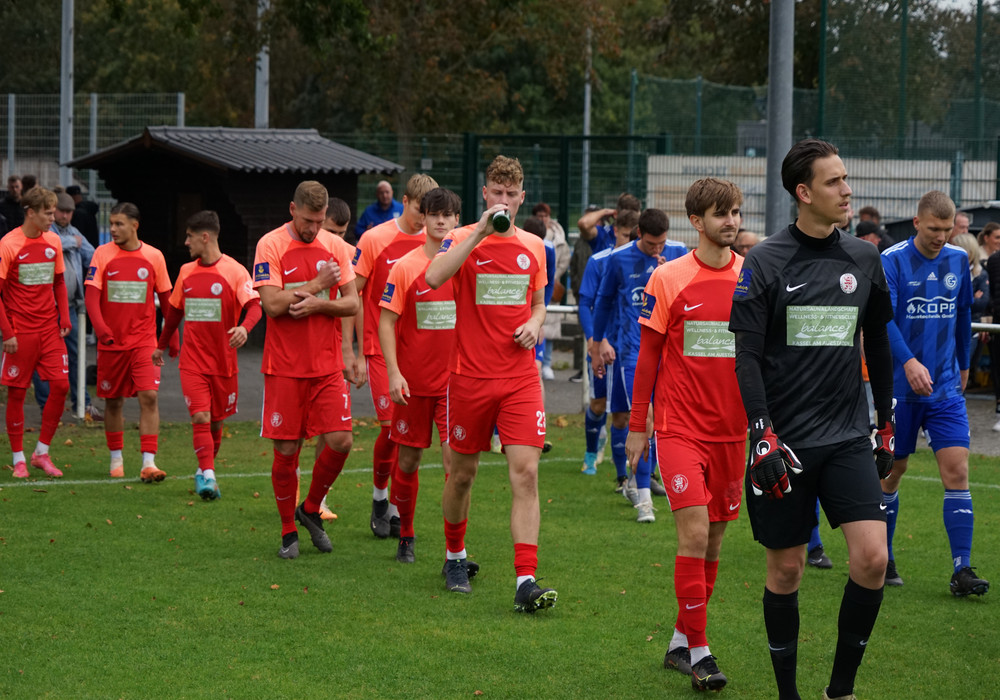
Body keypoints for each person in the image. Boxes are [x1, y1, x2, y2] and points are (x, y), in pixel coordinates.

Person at [729, 139, 895, 700]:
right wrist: (761, 433)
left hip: (849, 435)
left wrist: (886, 421)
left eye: (846, 179)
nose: (847, 190)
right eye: (833, 182)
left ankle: (840, 691)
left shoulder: (865, 258)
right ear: (804, 193)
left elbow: (878, 341)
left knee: (873, 559)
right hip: (786, 444)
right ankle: (788, 695)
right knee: (787, 572)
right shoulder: (766, 261)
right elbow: (747, 356)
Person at [625, 177, 746, 691]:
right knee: (694, 534)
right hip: (679, 429)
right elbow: (648, 356)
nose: (732, 222)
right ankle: (701, 653)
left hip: (733, 432)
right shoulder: (668, 278)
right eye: (722, 214)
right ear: (697, 222)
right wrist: (638, 426)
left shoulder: (753, 275)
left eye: (737, 213)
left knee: (714, 540)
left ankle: (680, 640)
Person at [424, 155, 557, 612]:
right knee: (462, 475)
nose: (503, 201)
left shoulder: (535, 246)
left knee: (526, 472)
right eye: (496, 193)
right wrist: (479, 231)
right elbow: (434, 276)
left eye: (511, 194)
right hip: (469, 379)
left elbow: (538, 304)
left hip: (520, 378)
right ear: (485, 195)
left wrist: (536, 324)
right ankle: (455, 555)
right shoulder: (461, 237)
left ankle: (525, 580)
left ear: (522, 197)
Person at [880, 191, 989, 597]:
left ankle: (962, 569)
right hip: (898, 390)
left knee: (957, 472)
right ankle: (884, 556)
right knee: (893, 473)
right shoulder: (891, 260)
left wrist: (964, 363)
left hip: (944, 388)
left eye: (947, 230)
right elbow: (884, 319)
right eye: (933, 229)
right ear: (916, 223)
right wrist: (909, 362)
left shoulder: (959, 260)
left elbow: (963, 314)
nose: (941, 237)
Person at [253, 180, 360, 559]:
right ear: (292, 210)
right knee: (286, 449)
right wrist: (316, 286)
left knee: (341, 441)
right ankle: (287, 531)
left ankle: (310, 508)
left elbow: (352, 304)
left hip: (327, 365)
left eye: (320, 221)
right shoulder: (270, 244)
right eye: (309, 221)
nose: (314, 229)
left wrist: (317, 306)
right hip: (284, 367)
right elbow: (272, 304)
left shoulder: (334, 247)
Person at [345, 173, 438, 539]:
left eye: (431, 210)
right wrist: (349, 350)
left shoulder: (441, 244)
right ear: (404, 201)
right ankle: (382, 498)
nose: (424, 217)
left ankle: (395, 506)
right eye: (419, 209)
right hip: (380, 349)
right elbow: (353, 296)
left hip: (423, 354)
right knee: (390, 427)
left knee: (407, 437)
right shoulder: (375, 238)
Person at [153, 211, 262, 501]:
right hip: (193, 362)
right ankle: (209, 476)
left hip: (224, 364)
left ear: (205, 237)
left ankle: (204, 470)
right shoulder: (186, 272)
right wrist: (161, 345)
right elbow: (174, 312)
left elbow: (255, 307)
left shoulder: (235, 271)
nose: (186, 242)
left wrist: (244, 328)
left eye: (189, 236)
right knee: (200, 415)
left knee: (215, 423)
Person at [378, 187, 461, 564]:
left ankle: (453, 550)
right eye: (434, 215)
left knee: (453, 465)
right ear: (422, 220)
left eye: (448, 216)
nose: (441, 221)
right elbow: (386, 321)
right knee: (408, 462)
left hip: (454, 384)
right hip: (413, 384)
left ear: (457, 221)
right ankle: (406, 534)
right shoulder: (406, 267)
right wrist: (394, 373)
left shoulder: (464, 266)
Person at [593, 209, 687, 522]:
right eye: (650, 244)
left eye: (661, 243)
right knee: (640, 418)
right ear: (638, 234)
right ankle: (644, 499)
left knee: (661, 421)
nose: (657, 250)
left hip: (671, 353)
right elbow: (603, 301)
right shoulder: (618, 259)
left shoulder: (678, 255)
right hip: (633, 350)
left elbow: (688, 302)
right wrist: (598, 342)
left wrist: (669, 275)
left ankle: (637, 480)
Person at [85, 202, 173, 482]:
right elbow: (91, 296)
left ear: (135, 225)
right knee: (113, 402)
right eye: (111, 223)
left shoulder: (154, 256)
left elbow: (168, 299)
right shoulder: (102, 254)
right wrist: (101, 329)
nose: (112, 229)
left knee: (149, 396)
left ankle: (149, 462)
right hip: (112, 343)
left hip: (144, 341)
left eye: (118, 224)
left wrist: (172, 336)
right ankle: (116, 458)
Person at [0, 186, 72, 478]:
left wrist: (64, 315)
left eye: (54, 212)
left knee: (61, 386)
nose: (53, 218)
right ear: (31, 212)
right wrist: (8, 333)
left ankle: (41, 453)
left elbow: (58, 282)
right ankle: (18, 459)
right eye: (48, 212)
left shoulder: (53, 241)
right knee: (16, 392)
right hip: (21, 332)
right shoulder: (8, 244)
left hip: (49, 329)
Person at [576, 208, 638, 479]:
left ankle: (624, 474)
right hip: (603, 346)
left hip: (629, 349)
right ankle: (591, 451)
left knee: (625, 413)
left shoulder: (643, 263)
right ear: (614, 232)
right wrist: (595, 341)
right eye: (627, 236)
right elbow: (585, 303)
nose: (632, 242)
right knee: (599, 404)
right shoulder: (599, 261)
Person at [33, 192, 100, 420]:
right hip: (43, 307)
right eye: (59, 211)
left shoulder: (73, 230)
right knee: (41, 357)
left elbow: (92, 255)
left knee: (76, 355)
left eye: (68, 212)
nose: (63, 216)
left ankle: (83, 403)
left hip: (70, 306)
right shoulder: (50, 230)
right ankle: (46, 407)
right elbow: (45, 245)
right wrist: (71, 244)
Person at [577, 192, 642, 254]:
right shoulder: (604, 233)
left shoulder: (641, 236)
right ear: (616, 214)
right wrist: (605, 211)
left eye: (636, 216)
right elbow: (584, 223)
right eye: (627, 216)